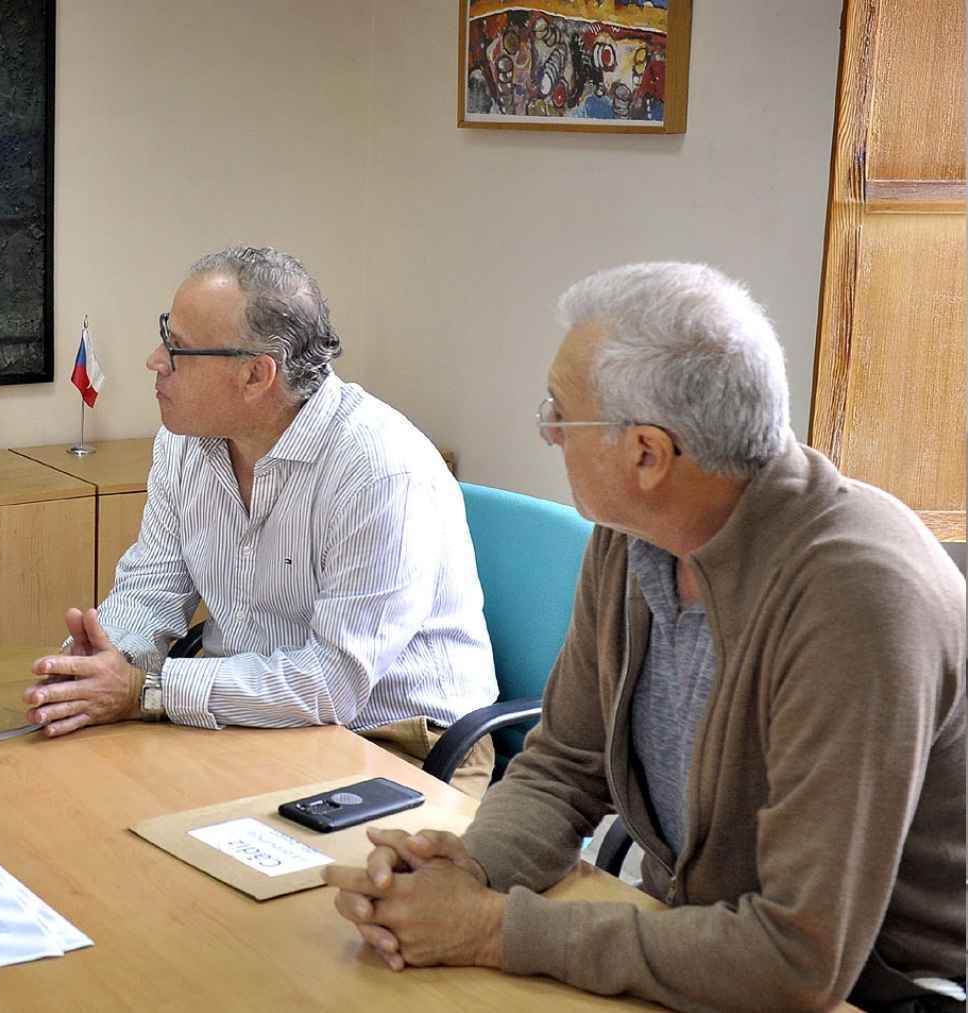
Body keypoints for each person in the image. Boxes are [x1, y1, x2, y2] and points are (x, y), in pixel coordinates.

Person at [323, 262, 966, 1012]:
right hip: (689, 946)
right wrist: (466, 873)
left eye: (560, 413)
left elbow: (798, 960)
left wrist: (497, 930)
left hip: (874, 996)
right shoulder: (635, 537)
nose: (548, 433)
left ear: (647, 454)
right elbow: (565, 765)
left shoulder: (855, 598)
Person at [24, 245, 499, 795]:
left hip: (399, 742)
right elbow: (152, 587)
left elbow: (331, 684)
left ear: (255, 375)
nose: (154, 360)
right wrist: (109, 659)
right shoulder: (184, 445)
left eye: (177, 348)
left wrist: (145, 689)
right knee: (95, 808)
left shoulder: (378, 469)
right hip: (252, 719)